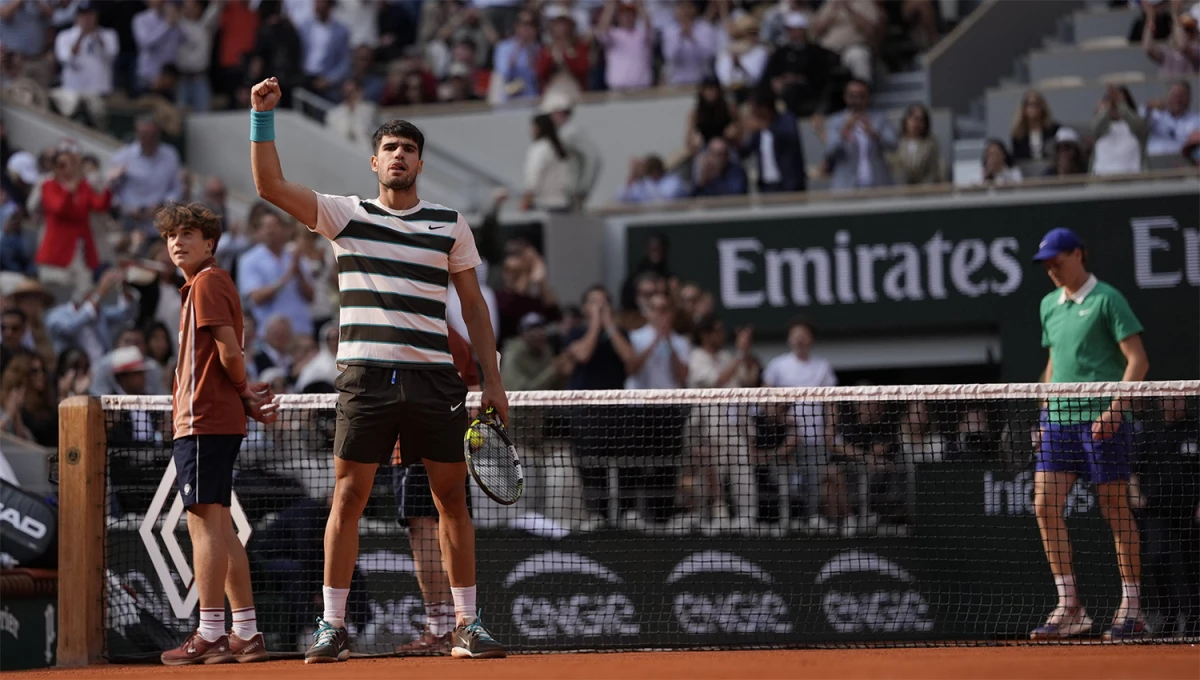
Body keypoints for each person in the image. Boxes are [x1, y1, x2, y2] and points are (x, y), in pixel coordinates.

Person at [248, 76, 508, 662]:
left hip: (435, 381)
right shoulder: (345, 215)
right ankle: (332, 627)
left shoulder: (449, 223)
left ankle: (467, 624)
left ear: (419, 161)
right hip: (365, 378)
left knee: (450, 502)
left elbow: (472, 307)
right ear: (374, 162)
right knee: (348, 498)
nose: (399, 156)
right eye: (389, 148)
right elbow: (268, 185)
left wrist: (493, 381)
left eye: (408, 149)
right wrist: (262, 116)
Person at [155, 202, 279, 665]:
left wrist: (245, 390)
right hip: (210, 419)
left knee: (203, 525)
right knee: (220, 526)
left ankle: (210, 632)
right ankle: (245, 633)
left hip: (203, 420)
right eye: (172, 236)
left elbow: (229, 350)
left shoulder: (207, 282)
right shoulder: (204, 284)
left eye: (188, 234)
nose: (177, 242)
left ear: (209, 243)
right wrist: (244, 397)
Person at [1030, 227, 1150, 642]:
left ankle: (1132, 609)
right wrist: (1043, 414)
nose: (1051, 269)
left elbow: (1138, 361)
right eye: (1046, 263)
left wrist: (1117, 410)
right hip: (1059, 422)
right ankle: (1070, 607)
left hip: (1103, 421)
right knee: (1044, 506)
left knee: (1115, 509)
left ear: (1078, 254)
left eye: (1057, 261)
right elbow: (1052, 363)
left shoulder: (1108, 299)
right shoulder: (1048, 305)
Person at [392, 326, 479, 655]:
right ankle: (458, 622)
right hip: (453, 445)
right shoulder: (458, 338)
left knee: (424, 529)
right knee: (449, 522)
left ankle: (441, 627)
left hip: (413, 442)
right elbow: (472, 392)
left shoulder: (405, 332)